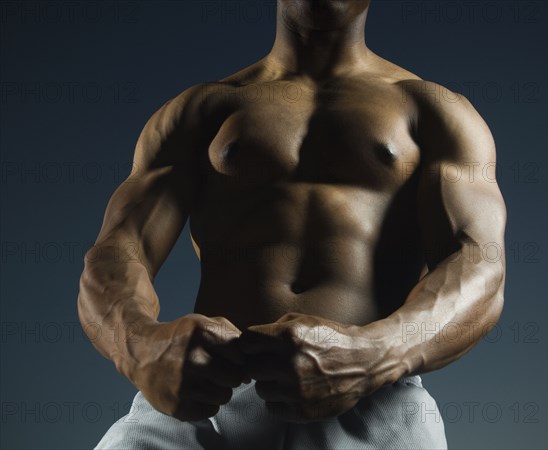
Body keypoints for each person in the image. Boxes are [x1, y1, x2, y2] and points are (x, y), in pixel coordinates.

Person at [78, 1, 506, 448]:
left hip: (374, 397)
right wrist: (141, 347)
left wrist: (374, 356)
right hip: (205, 401)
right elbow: (117, 251)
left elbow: (479, 265)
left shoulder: (434, 110)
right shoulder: (202, 110)